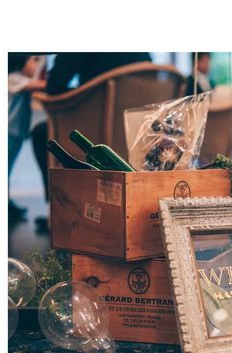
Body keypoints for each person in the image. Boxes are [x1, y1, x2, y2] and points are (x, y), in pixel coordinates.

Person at [31, 52, 152, 231]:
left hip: (93, 133)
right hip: (135, 133)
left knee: (41, 133)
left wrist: (85, 91)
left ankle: (59, 211)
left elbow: (55, 85)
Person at [8, 54, 46, 222]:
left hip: (15, 133)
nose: (37, 65)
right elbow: (40, 85)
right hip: (8, 132)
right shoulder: (13, 78)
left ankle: (7, 203)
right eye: (35, 60)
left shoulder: (19, 79)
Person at [45, 52, 152, 95]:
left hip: (90, 127)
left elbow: (54, 86)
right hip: (137, 129)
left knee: (40, 132)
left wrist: (81, 93)